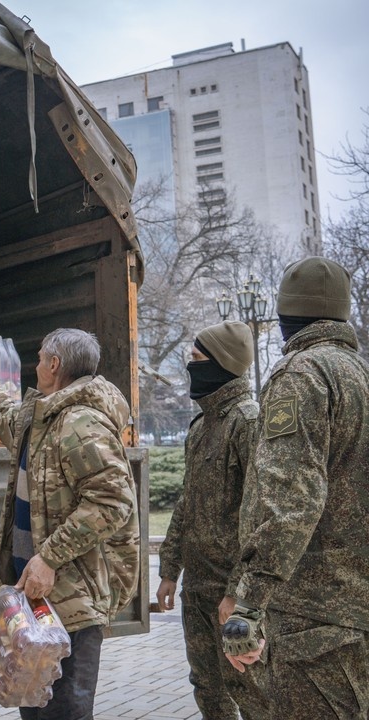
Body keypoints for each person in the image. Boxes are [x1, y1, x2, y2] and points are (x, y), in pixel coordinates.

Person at [0, 328, 139, 719]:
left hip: (71, 605)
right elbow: (5, 415)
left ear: (54, 365)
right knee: (35, 710)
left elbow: (113, 500)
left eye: (39, 358)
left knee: (66, 711)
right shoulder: (45, 419)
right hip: (36, 602)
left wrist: (50, 558)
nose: (35, 366)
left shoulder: (80, 423)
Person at [223, 256, 369, 718]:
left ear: (286, 316)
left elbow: (290, 502)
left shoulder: (301, 375)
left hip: (313, 618)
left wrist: (249, 604)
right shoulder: (360, 374)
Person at [156, 321, 268, 720]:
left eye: (197, 359)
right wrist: (170, 570)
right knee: (207, 688)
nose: (190, 366)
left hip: (233, 596)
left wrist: (238, 592)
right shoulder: (201, 427)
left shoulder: (249, 422)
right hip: (198, 590)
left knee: (250, 689)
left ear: (221, 363)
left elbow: (262, 517)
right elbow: (187, 504)